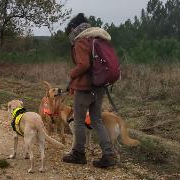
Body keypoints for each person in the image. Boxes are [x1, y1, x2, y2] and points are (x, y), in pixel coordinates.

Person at [62, 13, 116, 168]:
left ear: (73, 29)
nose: (69, 37)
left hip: (84, 88)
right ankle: (107, 155)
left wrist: (71, 75)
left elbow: (83, 65)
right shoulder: (97, 38)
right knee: (97, 121)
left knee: (79, 121)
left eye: (69, 34)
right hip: (99, 87)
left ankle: (79, 153)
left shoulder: (81, 41)